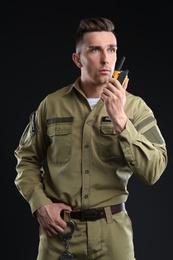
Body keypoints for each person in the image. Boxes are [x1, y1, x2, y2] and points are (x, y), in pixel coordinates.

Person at [14, 17, 168, 260]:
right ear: (78, 59)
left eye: (111, 49)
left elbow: (154, 170)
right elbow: (26, 159)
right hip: (59, 234)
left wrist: (120, 120)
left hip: (112, 235)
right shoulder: (51, 105)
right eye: (95, 49)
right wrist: (39, 203)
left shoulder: (136, 109)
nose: (105, 59)